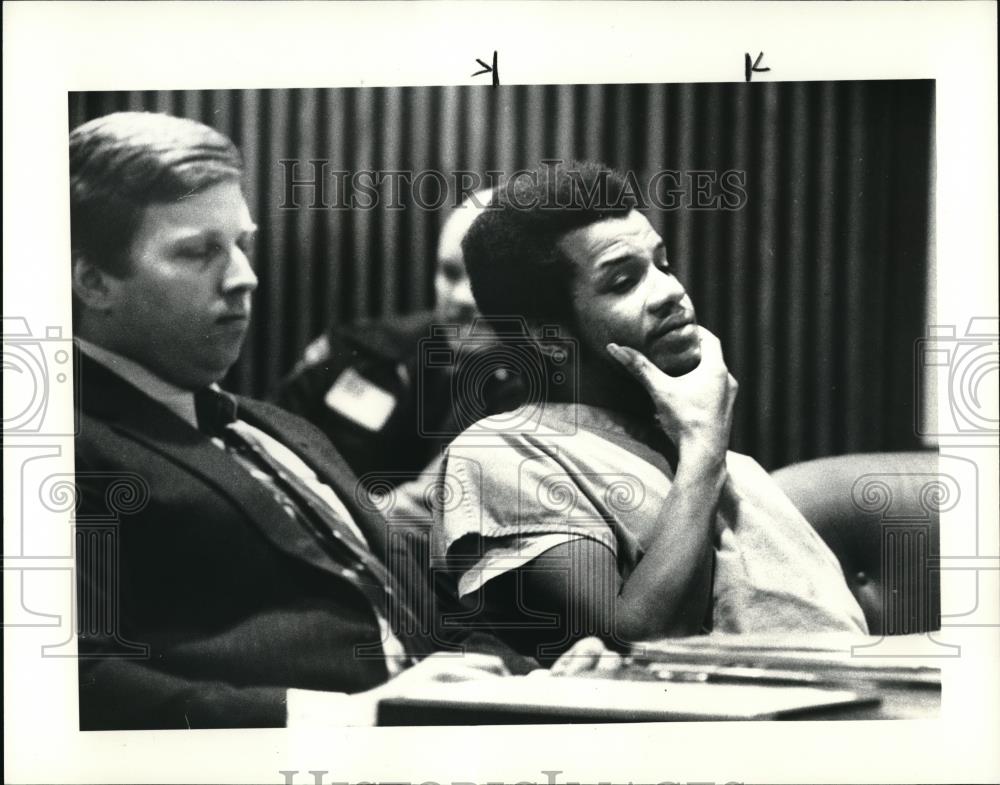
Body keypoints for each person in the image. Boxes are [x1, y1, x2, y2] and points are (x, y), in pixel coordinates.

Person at [69, 113, 612, 730]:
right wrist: (353, 719)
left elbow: (414, 606)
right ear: (93, 281)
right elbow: (69, 685)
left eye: (242, 244)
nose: (245, 278)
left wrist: (532, 678)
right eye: (198, 253)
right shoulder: (59, 446)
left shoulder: (277, 429)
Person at [434, 161, 869, 663]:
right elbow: (647, 645)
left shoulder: (703, 447)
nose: (670, 291)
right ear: (548, 335)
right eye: (623, 281)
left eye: (662, 264)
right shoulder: (505, 451)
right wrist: (705, 446)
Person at [276, 188, 526, 487]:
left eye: (485, 280)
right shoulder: (366, 349)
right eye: (450, 273)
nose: (461, 297)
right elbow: (265, 438)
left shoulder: (552, 388)